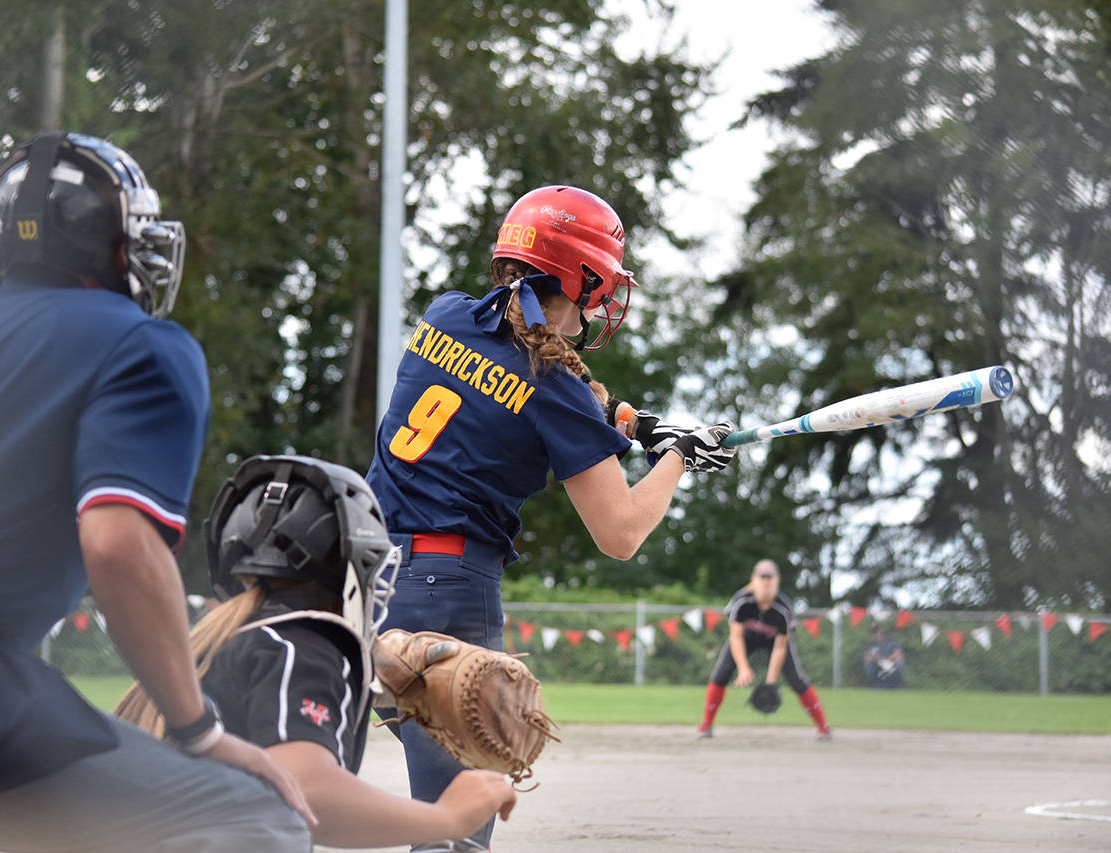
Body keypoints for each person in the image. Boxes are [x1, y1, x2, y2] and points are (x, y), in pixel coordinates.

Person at [0, 132, 314, 853]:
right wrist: (196, 726)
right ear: (120, 246)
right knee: (249, 818)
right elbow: (118, 545)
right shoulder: (142, 343)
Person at [366, 184, 737, 852]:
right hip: (450, 593)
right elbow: (620, 532)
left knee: (338, 792)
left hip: (365, 577)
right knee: (456, 829)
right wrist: (678, 457)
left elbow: (536, 381)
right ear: (580, 277)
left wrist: (635, 423)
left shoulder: (447, 315)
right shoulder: (555, 388)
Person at [116, 454, 518, 849]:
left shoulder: (214, 644)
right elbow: (310, 794)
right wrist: (445, 818)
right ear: (350, 569)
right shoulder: (306, 643)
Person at [697, 559, 833, 740]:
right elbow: (736, 637)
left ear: (777, 580)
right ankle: (706, 725)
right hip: (745, 639)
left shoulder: (783, 608)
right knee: (720, 674)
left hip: (774, 642)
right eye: (762, 577)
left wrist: (770, 681)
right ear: (753, 579)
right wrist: (744, 668)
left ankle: (823, 727)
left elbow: (780, 647)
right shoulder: (742, 601)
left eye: (770, 577)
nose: (766, 582)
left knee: (797, 679)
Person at [864, 623, 906, 688]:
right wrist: (879, 661)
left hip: (891, 662)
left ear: (881, 631)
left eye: (876, 631)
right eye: (873, 632)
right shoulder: (871, 644)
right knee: (868, 662)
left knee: (899, 662)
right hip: (877, 663)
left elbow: (898, 653)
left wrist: (887, 660)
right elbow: (867, 656)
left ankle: (896, 685)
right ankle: (874, 685)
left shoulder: (890, 641)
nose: (875, 634)